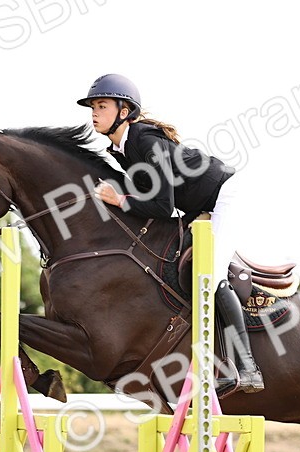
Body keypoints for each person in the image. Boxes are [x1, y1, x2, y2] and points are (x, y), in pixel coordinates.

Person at [78, 73, 263, 394]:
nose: (94, 112)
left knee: (211, 274)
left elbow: (163, 206)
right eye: (92, 106)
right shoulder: (122, 148)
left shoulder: (143, 140)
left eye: (102, 105)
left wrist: (120, 199)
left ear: (124, 111)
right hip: (199, 206)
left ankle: (247, 368)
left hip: (226, 195)